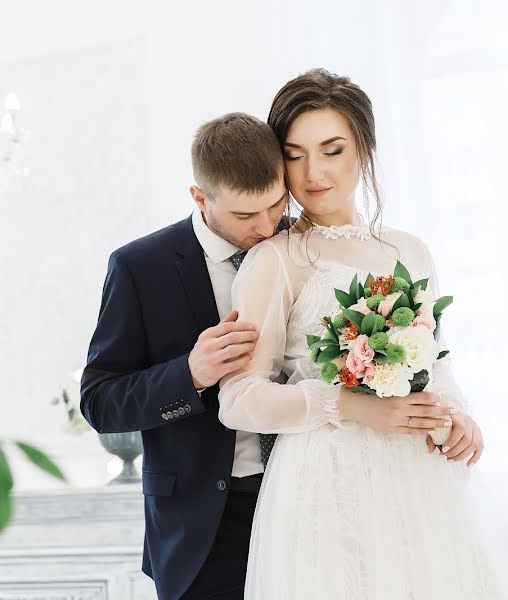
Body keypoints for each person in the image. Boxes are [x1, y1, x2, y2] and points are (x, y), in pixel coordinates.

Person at [80, 113, 456, 600]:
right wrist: (189, 375)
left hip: (318, 496)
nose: (266, 226)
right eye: (243, 216)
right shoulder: (139, 267)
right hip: (206, 524)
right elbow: (100, 401)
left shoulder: (306, 248)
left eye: (276, 204)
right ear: (200, 197)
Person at [217, 69, 504, 599]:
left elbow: (437, 365)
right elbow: (239, 401)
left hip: (421, 481)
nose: (313, 172)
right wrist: (348, 405)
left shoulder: (409, 251)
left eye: (332, 149)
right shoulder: (274, 261)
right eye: (295, 153)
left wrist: (458, 415)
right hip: (324, 488)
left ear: (363, 151)